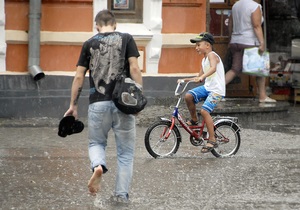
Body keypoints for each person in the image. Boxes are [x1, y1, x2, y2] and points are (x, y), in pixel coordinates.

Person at [64, 9, 143, 203]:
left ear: (96, 26)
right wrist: (139, 97)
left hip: (98, 104)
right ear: (115, 25)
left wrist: (73, 106)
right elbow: (134, 68)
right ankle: (121, 195)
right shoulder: (126, 38)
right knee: (125, 154)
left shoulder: (89, 43)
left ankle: (98, 165)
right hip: (123, 103)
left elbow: (78, 76)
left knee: (96, 143)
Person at [178, 32, 225, 153]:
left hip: (216, 90)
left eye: (198, 45)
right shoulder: (204, 60)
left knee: (204, 111)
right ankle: (194, 119)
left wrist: (202, 76)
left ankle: (212, 139)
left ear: (208, 45)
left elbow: (213, 68)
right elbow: (198, 77)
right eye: (196, 45)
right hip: (207, 87)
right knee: (188, 96)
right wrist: (185, 80)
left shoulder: (212, 55)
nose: (196, 48)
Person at [226, 0, 276, 103]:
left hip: (235, 41)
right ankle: (262, 96)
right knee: (260, 70)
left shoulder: (236, 5)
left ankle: (213, 92)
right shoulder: (254, 6)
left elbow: (230, 23)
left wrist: (230, 38)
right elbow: (256, 26)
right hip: (250, 41)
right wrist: (262, 42)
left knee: (234, 69)